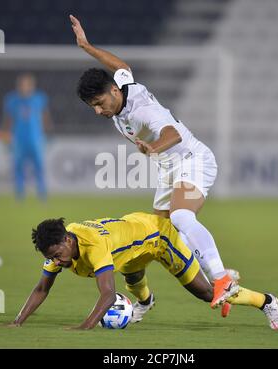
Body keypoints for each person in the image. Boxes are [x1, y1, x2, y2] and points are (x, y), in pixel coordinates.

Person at [70, 14, 238, 309]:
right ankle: (200, 290)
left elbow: (172, 134)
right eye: (91, 107)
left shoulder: (142, 109)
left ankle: (222, 278)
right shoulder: (120, 87)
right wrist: (86, 46)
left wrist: (152, 148)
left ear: (112, 92)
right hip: (169, 169)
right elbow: (121, 67)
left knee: (181, 218)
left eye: (99, 104)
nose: (98, 112)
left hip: (192, 159)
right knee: (159, 236)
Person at [9, 212, 278, 330]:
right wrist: (18, 321)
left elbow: (107, 295)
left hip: (157, 238)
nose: (56, 262)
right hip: (130, 244)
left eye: (57, 256)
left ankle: (266, 301)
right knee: (132, 274)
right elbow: (42, 287)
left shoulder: (93, 246)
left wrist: (85, 327)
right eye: (51, 259)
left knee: (205, 294)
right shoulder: (58, 248)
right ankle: (145, 302)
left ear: (68, 241)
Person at [1, 73, 52, 199]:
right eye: (22, 84)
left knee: (39, 167)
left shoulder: (39, 98)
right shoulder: (12, 99)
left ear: (32, 85)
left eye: (27, 84)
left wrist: (48, 131)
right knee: (18, 167)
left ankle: (42, 193)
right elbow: (8, 119)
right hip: (18, 139)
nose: (24, 87)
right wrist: (5, 134)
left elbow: (45, 116)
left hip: (36, 138)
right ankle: (20, 194)